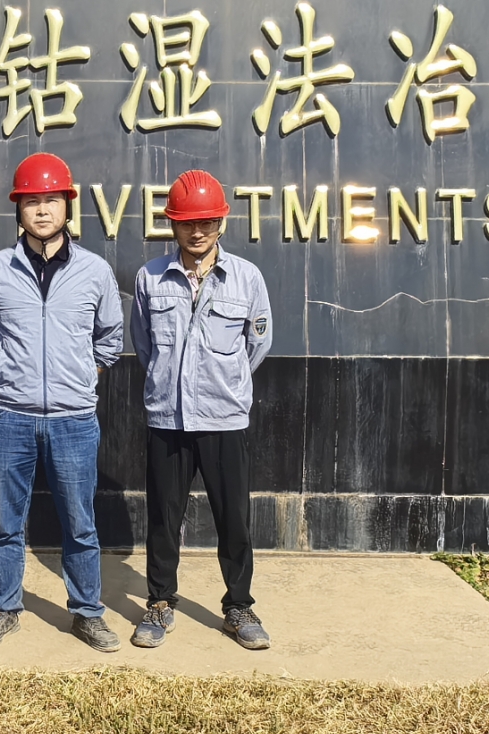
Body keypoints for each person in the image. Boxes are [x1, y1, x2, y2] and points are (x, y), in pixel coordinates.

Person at [0, 152, 124, 652]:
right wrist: (10, 372)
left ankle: (87, 613)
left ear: (67, 207)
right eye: (32, 201)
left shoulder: (94, 271)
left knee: (80, 522)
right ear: (18, 209)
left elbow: (110, 339)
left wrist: (81, 376)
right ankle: (3, 609)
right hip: (10, 416)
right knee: (5, 523)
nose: (42, 210)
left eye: (51, 200)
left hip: (74, 420)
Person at [130, 169, 273, 650]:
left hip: (223, 419)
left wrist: (222, 384)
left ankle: (239, 606)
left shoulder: (247, 278)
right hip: (167, 418)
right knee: (163, 517)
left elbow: (257, 344)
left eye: (207, 222)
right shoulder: (150, 277)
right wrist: (171, 381)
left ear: (221, 223)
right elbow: (145, 346)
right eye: (187, 222)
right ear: (172, 224)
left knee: (233, 518)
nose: (197, 232)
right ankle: (159, 602)